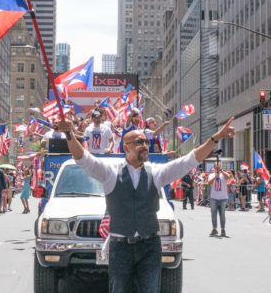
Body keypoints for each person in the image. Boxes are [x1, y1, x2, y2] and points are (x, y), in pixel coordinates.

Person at [58, 116, 234, 293]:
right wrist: (69, 135)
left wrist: (215, 138)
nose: (145, 145)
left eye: (146, 142)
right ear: (126, 147)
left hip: (150, 246)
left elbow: (189, 160)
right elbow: (83, 159)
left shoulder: (156, 173)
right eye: (139, 142)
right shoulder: (110, 172)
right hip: (120, 247)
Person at [207, 164, 231, 236]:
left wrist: (221, 171)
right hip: (214, 198)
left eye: (219, 167)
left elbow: (228, 177)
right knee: (213, 214)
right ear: (214, 168)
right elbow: (209, 183)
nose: (217, 169)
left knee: (222, 214)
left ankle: (223, 229)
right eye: (216, 167)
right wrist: (215, 176)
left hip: (223, 198)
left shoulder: (223, 174)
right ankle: (214, 229)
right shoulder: (211, 175)